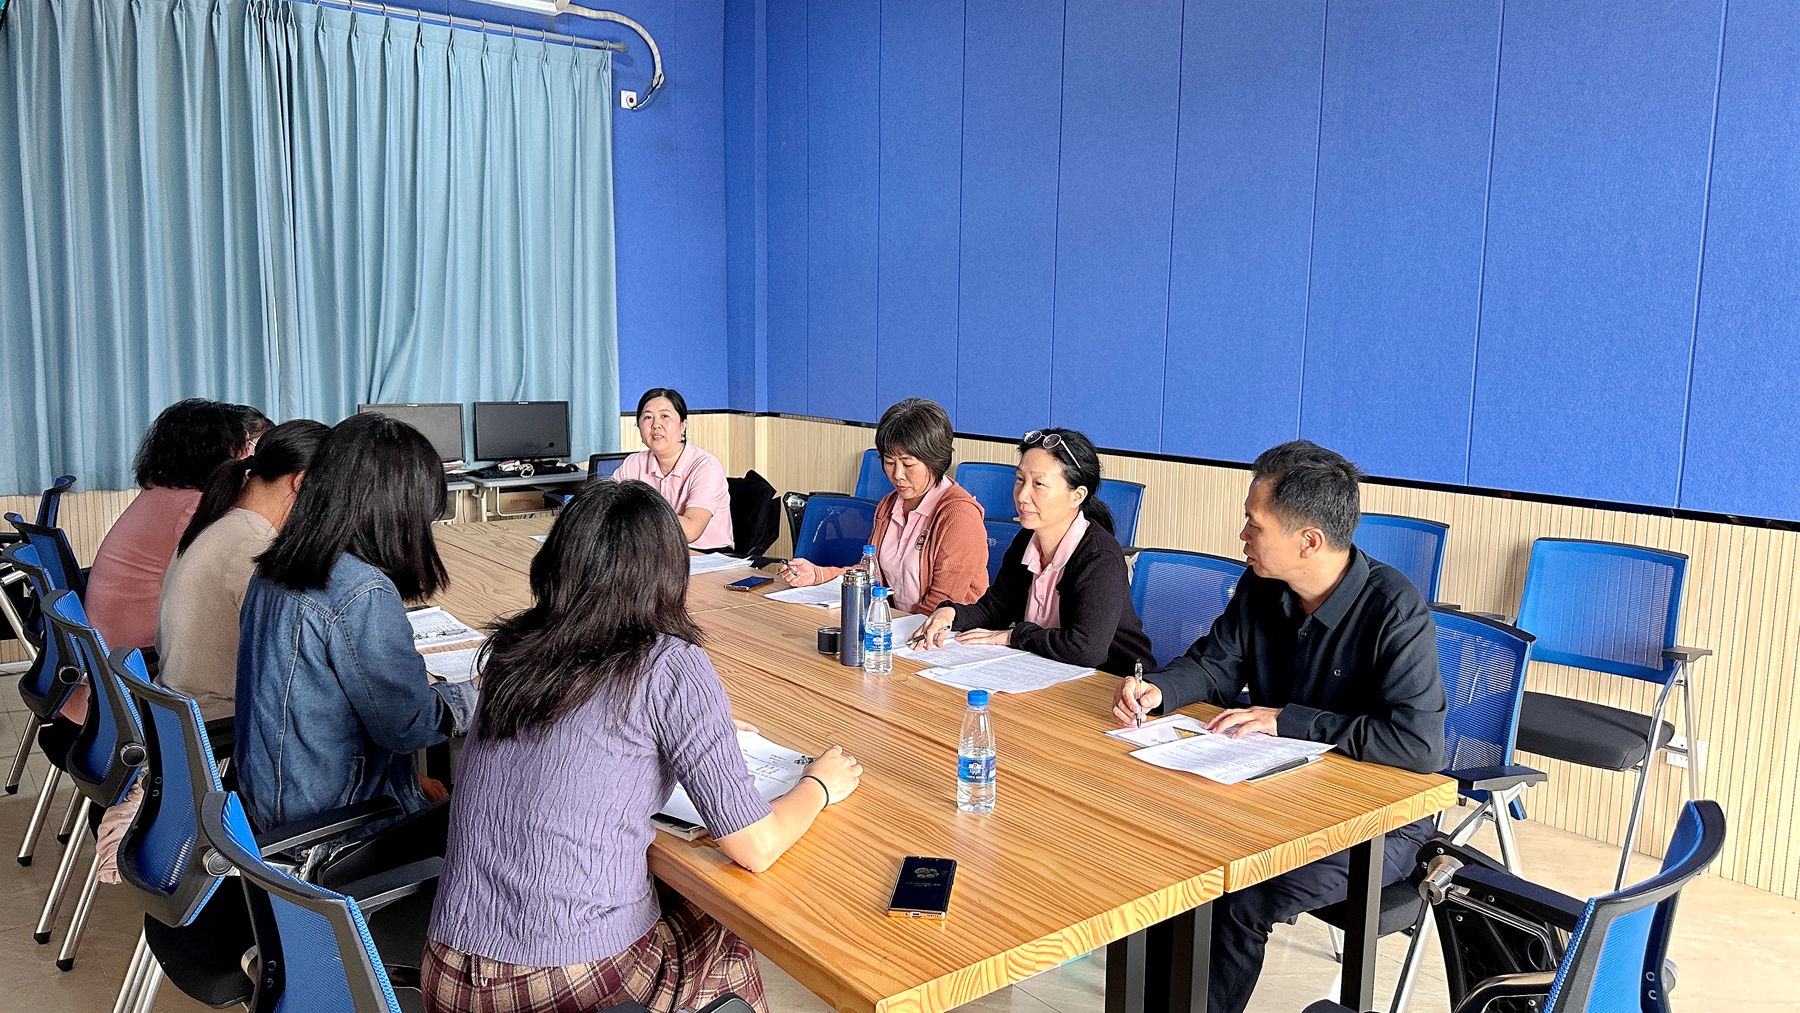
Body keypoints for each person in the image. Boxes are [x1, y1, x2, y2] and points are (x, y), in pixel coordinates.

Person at [423, 479, 862, 1013]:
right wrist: (818, 785)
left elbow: (583, 731)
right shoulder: (669, 664)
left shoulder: (513, 647)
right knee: (725, 933)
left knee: (676, 897)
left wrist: (700, 729)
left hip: (448, 972)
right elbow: (756, 847)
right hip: (555, 983)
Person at [1111, 440, 1446, 1013]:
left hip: (1375, 825)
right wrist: (1160, 689)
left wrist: (1287, 720)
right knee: (1166, 858)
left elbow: (1417, 746)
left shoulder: (1394, 608)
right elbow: (1215, 665)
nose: (1242, 535)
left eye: (1254, 523)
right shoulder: (1261, 585)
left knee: (1237, 895)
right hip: (1271, 795)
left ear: (1308, 540)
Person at [94, 419, 330, 885]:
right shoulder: (252, 547)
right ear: (301, 483)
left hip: (182, 722)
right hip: (221, 731)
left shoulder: (221, 522)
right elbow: (302, 663)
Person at [235, 413, 478, 854]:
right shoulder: (360, 590)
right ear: (398, 507)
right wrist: (482, 691)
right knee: (497, 818)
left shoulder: (276, 566)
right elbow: (409, 726)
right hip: (337, 831)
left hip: (272, 807)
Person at [914, 428, 1152, 675]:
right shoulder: (1025, 540)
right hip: (1048, 671)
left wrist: (1012, 636)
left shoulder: (1100, 557)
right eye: (1020, 479)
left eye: (1038, 484)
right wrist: (950, 613)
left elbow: (1085, 650)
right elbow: (994, 610)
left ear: (1077, 496)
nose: (1022, 495)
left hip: (1113, 682)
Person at [84, 399, 261, 666]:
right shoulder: (193, 505)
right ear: (212, 450)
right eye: (243, 444)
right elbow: (217, 584)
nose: (249, 453)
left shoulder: (162, 490)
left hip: (112, 634)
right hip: (137, 646)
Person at [779, 398, 989, 614]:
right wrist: (818, 575)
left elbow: (942, 604)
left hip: (945, 629)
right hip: (901, 623)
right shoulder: (889, 504)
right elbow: (872, 572)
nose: (897, 474)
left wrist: (897, 627)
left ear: (935, 460)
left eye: (908, 464)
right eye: (889, 462)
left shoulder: (959, 515)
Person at [613, 387, 734, 550]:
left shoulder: (706, 466)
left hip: (705, 554)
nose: (656, 425)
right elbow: (608, 507)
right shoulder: (633, 463)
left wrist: (635, 518)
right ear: (639, 426)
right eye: (647, 417)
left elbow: (691, 531)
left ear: (683, 425)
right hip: (653, 552)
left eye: (665, 416)